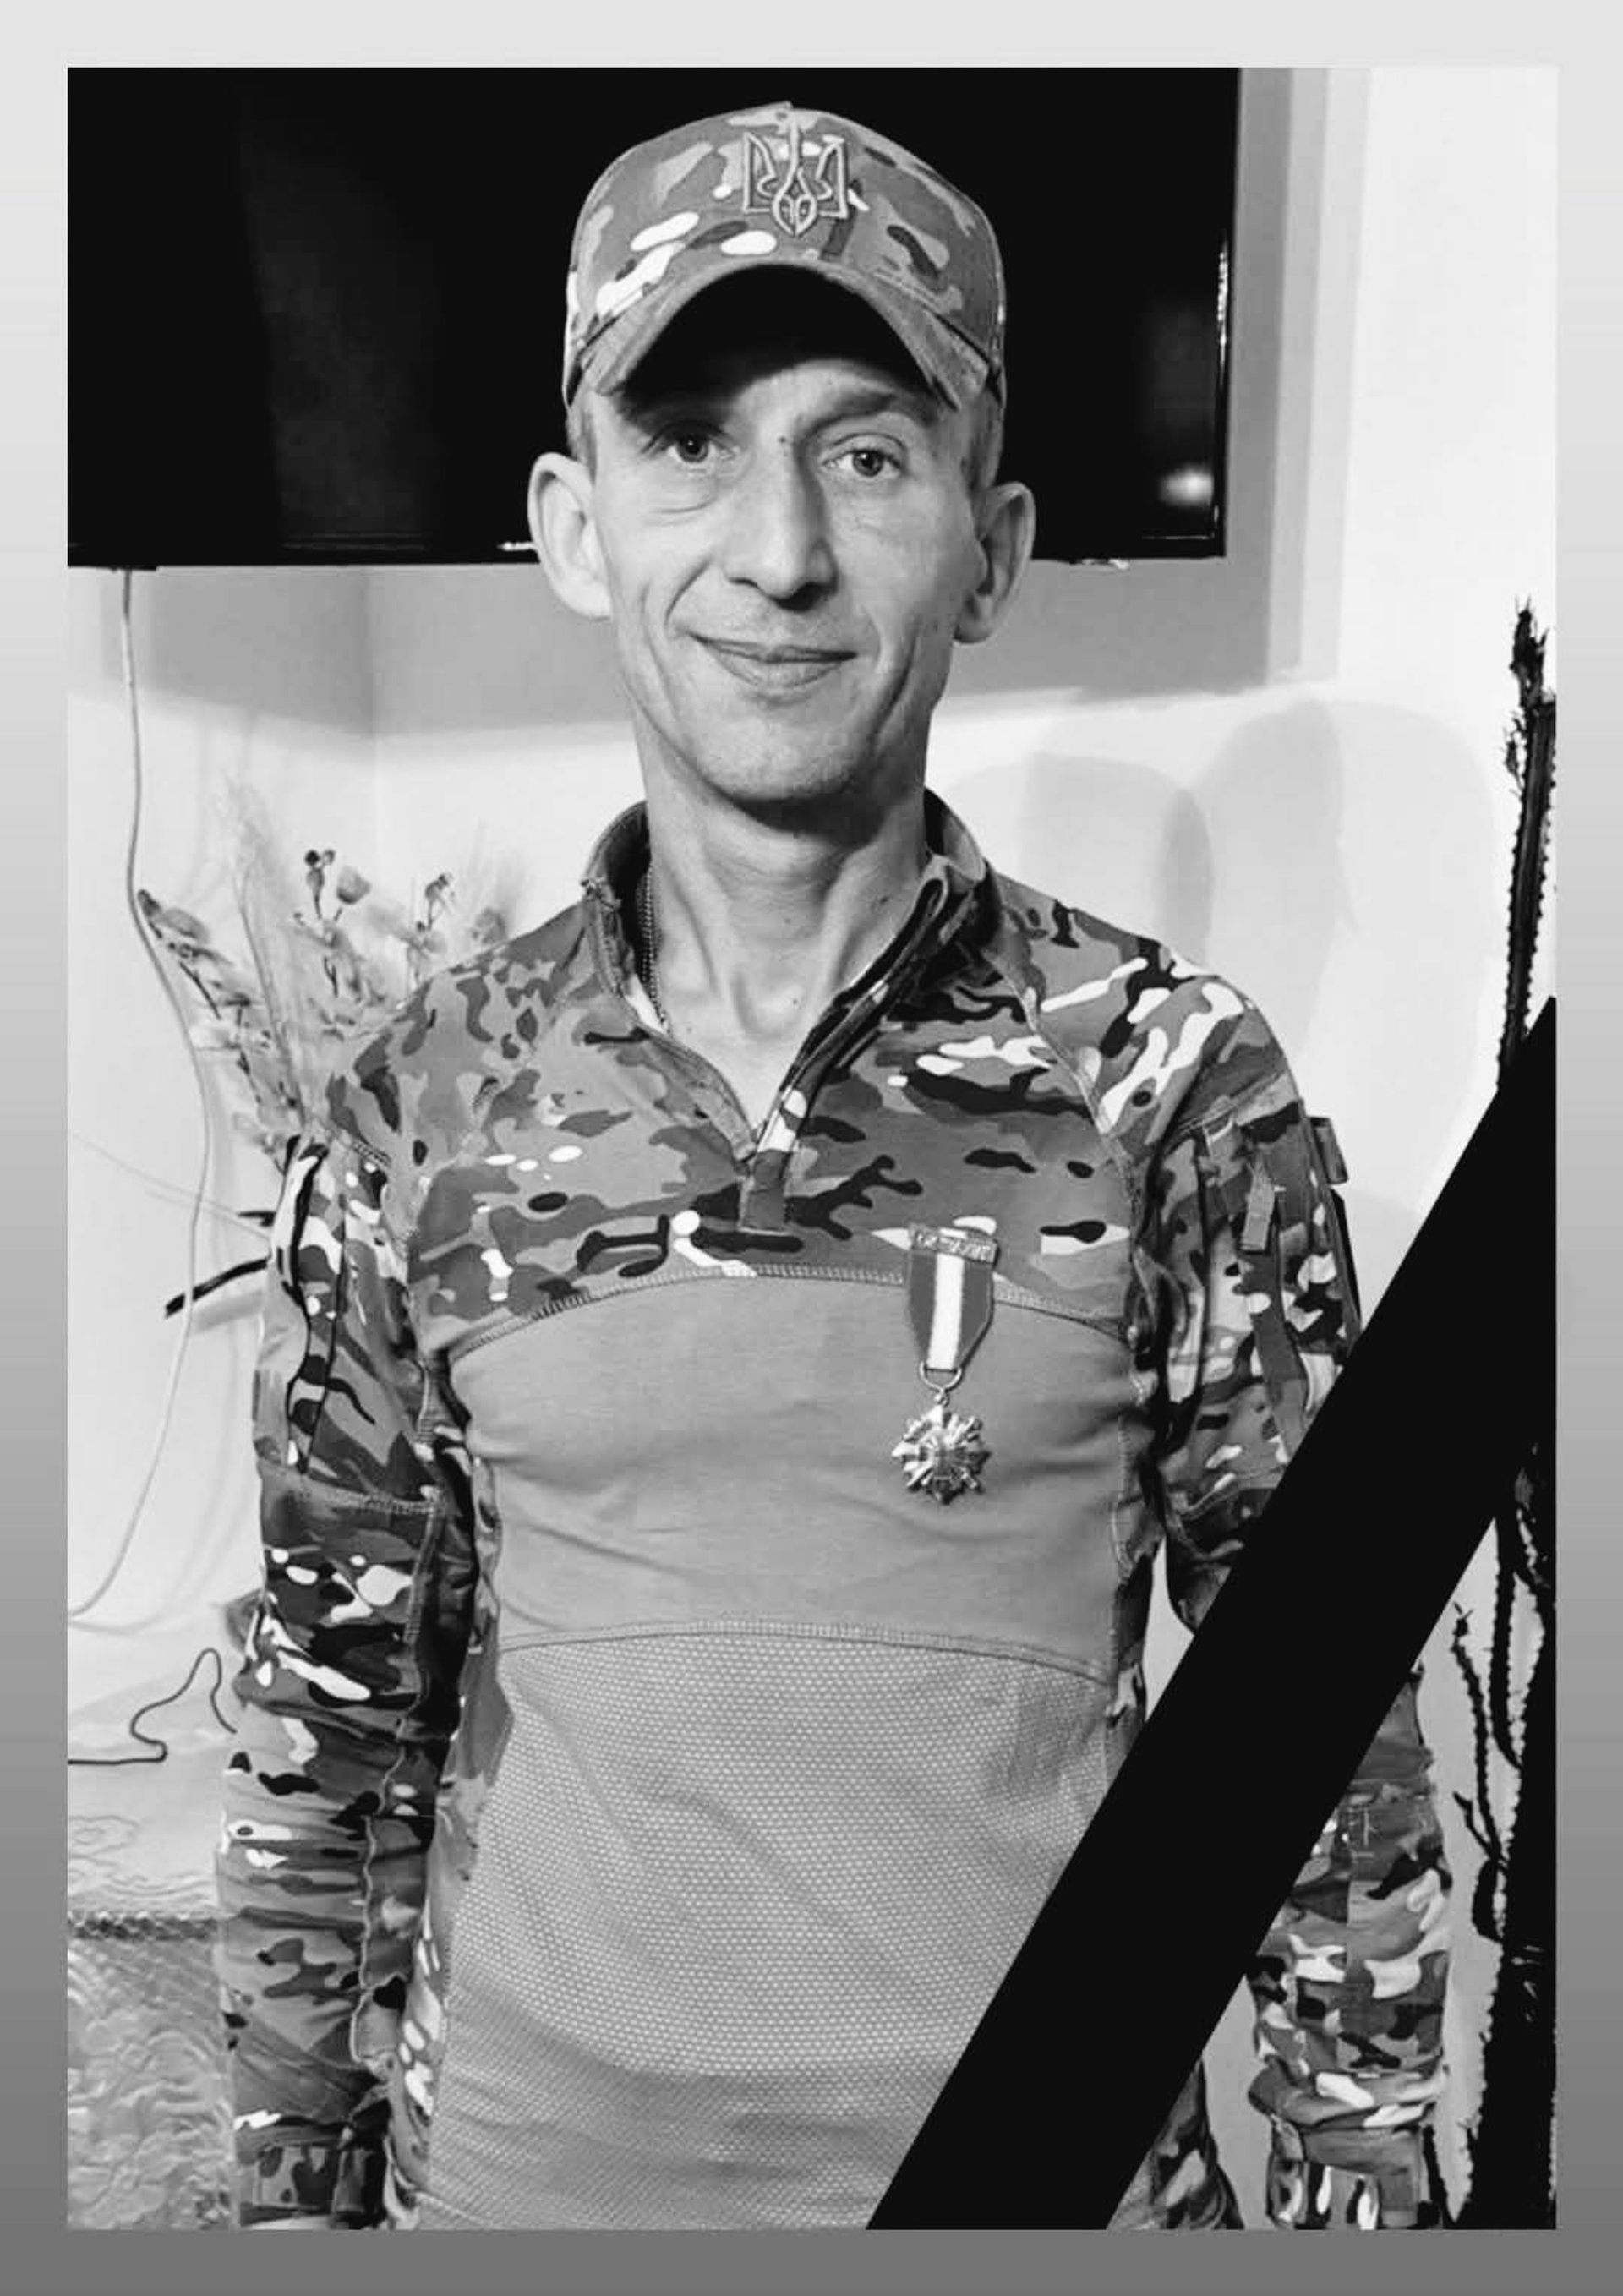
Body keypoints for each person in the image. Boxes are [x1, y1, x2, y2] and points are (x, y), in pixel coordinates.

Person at [216, 98, 1451, 2233]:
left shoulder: (1168, 1081)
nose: (778, 549)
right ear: (573, 523)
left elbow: (1318, 1748)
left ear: (992, 544)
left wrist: (1374, 2197)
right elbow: (337, 1742)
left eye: (868, 453)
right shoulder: (426, 1096)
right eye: (691, 440)